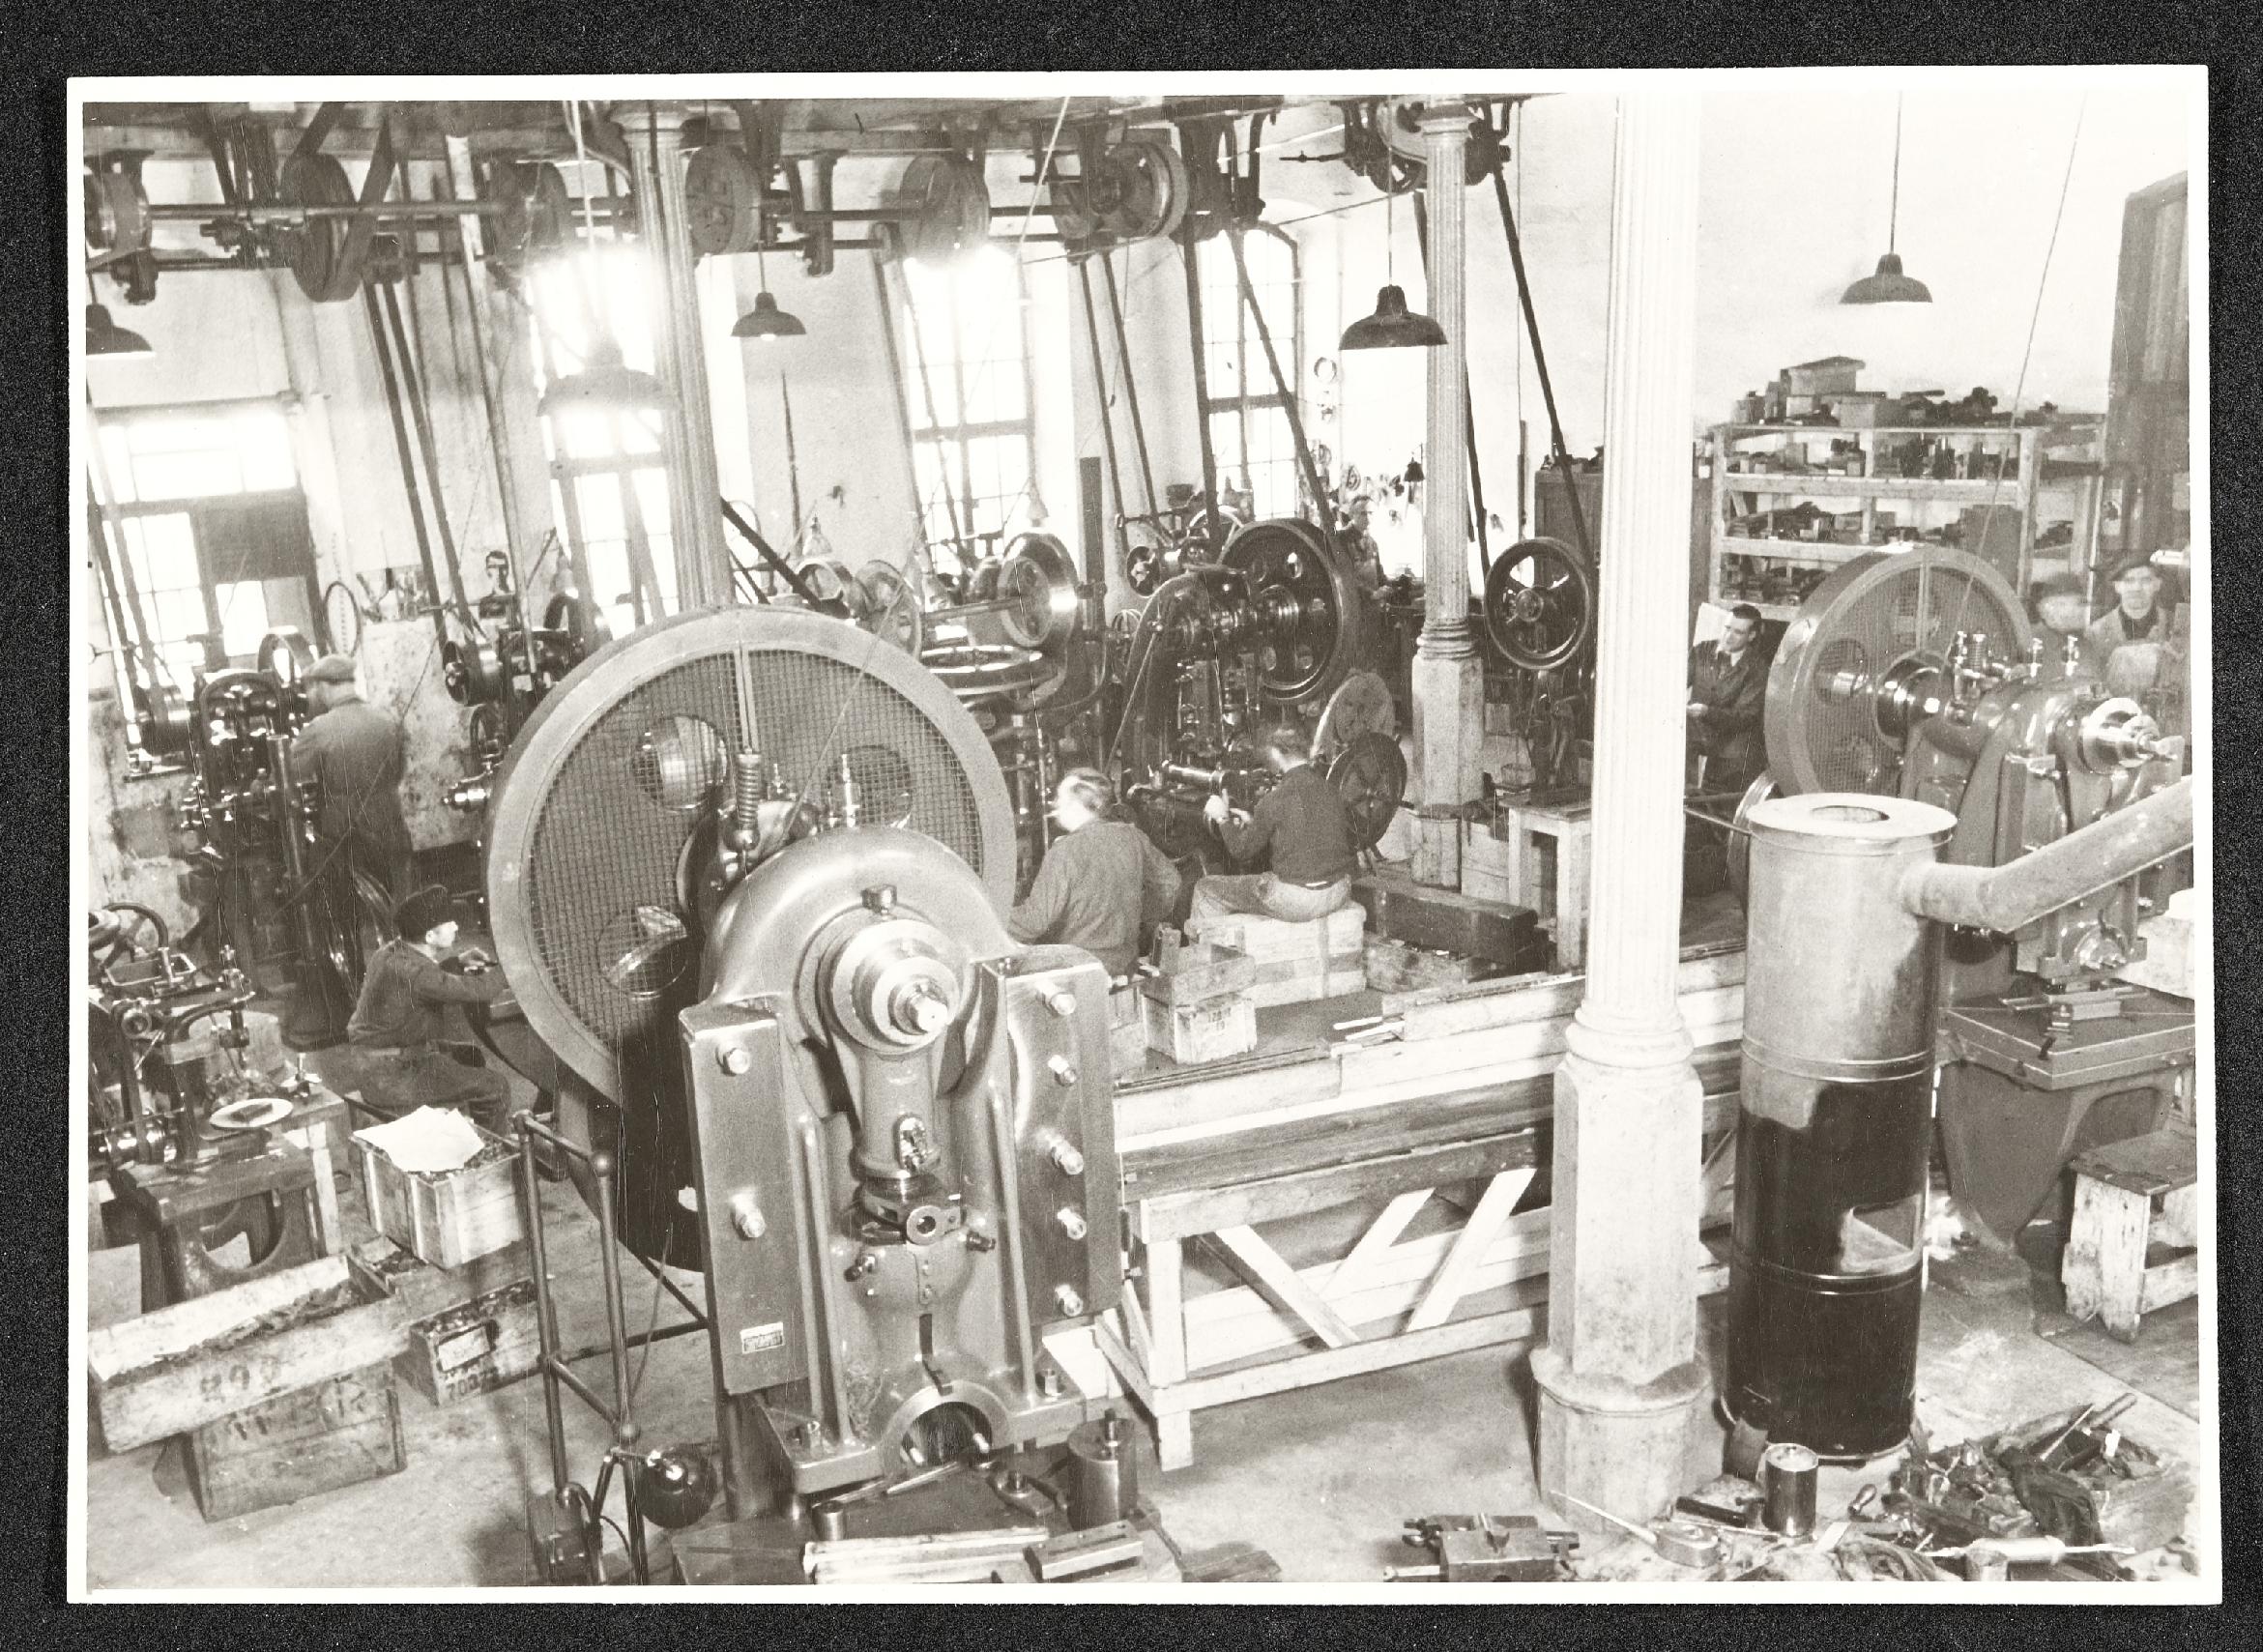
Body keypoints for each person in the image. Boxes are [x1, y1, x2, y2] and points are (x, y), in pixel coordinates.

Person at [345, 884, 516, 1137]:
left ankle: (475, 1136)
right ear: (429, 937)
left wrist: (458, 962)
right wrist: (512, 965)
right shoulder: (416, 973)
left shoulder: (390, 952)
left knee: (470, 1055)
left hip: (376, 1063)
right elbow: (478, 990)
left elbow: (426, 982)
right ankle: (493, 1153)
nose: (456, 926)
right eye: (449, 923)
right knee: (496, 1087)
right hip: (393, 1075)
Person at [1007, 768, 1182, 980]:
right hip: (1124, 965)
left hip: (1080, 972)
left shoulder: (1064, 851)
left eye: (1060, 799)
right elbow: (1171, 883)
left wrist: (989, 921)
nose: (1055, 805)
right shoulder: (1132, 836)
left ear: (1076, 806)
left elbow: (1033, 922)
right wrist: (1138, 918)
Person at [1188, 726, 1358, 928]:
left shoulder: (1275, 799)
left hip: (1298, 901)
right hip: (1338, 892)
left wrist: (1222, 817)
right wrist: (1254, 822)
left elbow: (1240, 851)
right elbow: (1311, 830)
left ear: (1277, 753)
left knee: (1206, 889)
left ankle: (1209, 946)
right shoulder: (1332, 789)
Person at [290, 653, 416, 898]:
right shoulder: (387, 719)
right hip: (391, 824)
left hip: (347, 833)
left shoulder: (320, 729)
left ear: (323, 687)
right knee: (398, 898)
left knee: (356, 905)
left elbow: (287, 776)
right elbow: (399, 771)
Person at [1687, 603, 1768, 797]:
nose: (1728, 636)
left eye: (1738, 632)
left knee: (1718, 800)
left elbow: (1744, 716)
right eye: (1727, 628)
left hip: (1731, 744)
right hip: (1695, 734)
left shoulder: (1758, 669)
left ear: (1751, 636)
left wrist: (1707, 712)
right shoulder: (1701, 651)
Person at [2080, 557, 2183, 704]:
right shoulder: (2096, 633)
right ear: (2117, 586)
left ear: (2157, 584)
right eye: (2129, 581)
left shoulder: (2176, 626)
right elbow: (2090, 689)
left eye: (2146, 580)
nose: (2137, 588)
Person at [2030, 571, 2091, 670]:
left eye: (2078, 604)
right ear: (2046, 607)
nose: (2072, 611)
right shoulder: (2030, 642)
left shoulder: (2086, 647)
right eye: (2062, 604)